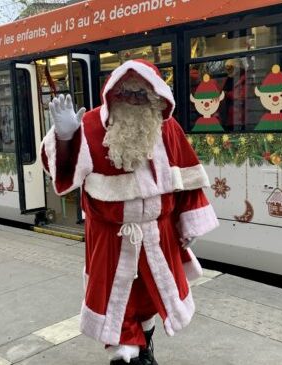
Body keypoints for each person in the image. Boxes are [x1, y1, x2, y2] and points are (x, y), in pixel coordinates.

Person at [41, 59, 219, 365]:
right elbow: (60, 171)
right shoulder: (92, 125)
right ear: (113, 95)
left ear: (156, 97)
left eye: (141, 95)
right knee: (116, 304)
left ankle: (144, 346)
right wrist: (66, 137)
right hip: (111, 237)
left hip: (158, 235)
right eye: (126, 95)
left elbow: (189, 181)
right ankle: (128, 357)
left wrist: (187, 226)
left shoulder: (167, 127)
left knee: (150, 298)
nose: (134, 102)